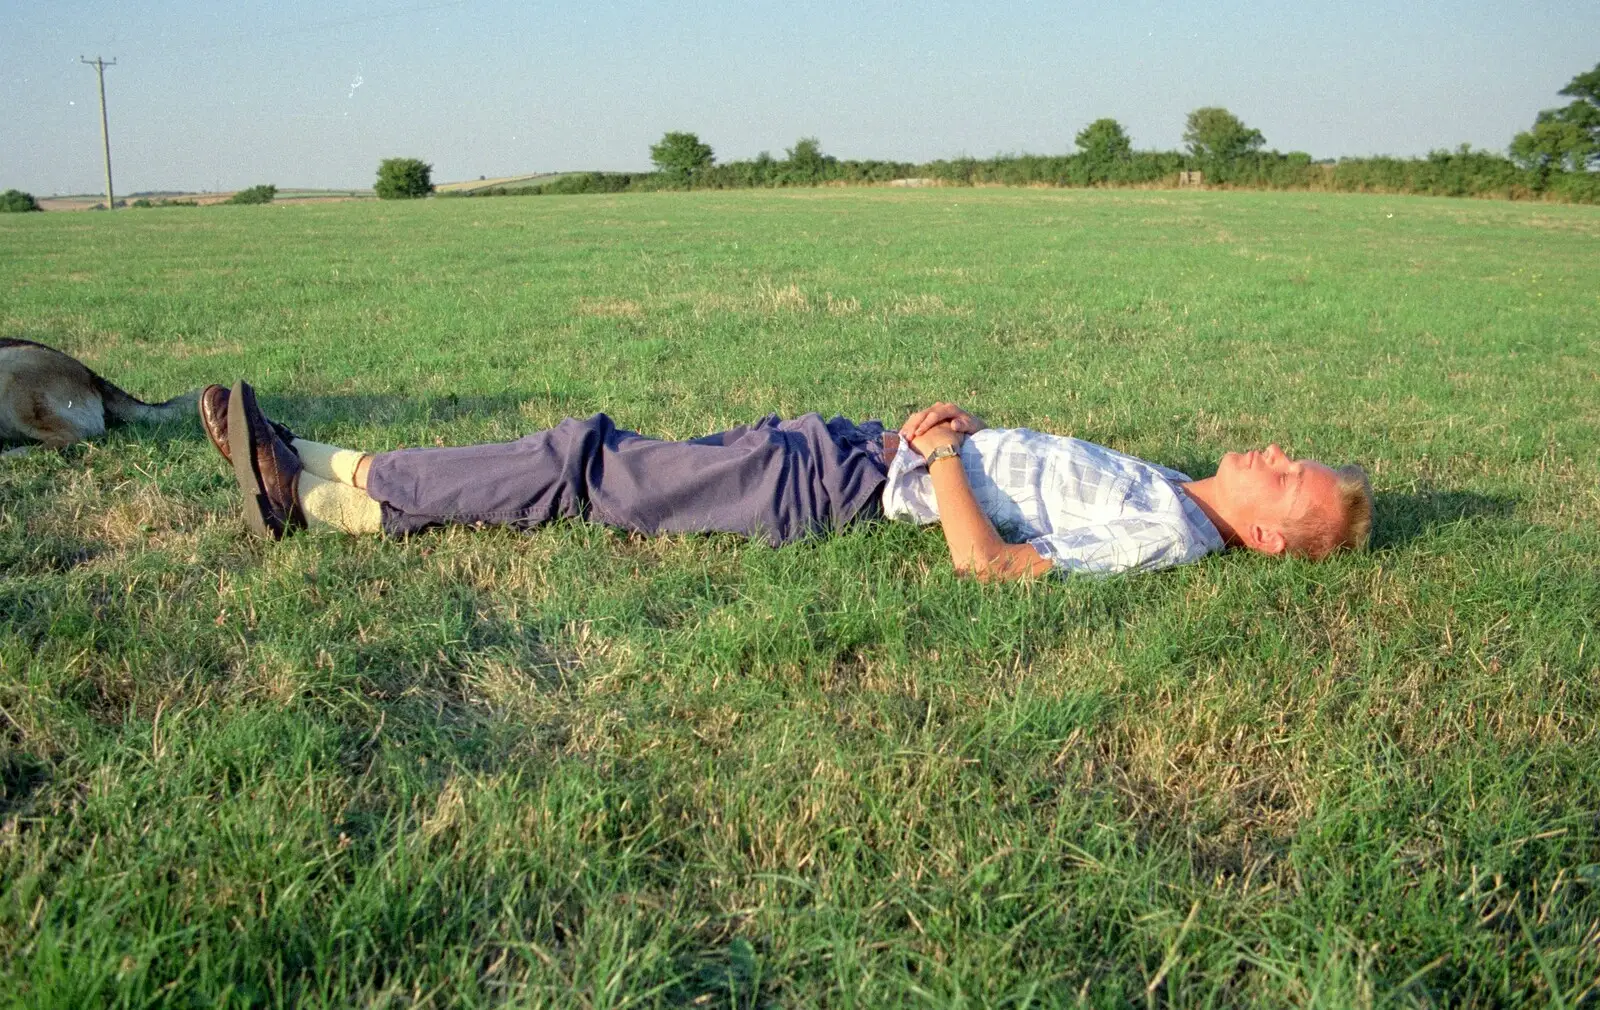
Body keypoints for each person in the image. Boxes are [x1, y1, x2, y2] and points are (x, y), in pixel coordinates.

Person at [200, 381, 1373, 580]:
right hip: (850, 451)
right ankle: (322, 485)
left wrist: (943, 453)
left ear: (1270, 537)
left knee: (589, 463)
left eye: (1290, 475)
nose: (1275, 452)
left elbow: (991, 564)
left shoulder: (1161, 531)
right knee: (603, 464)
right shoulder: (1173, 495)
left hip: (833, 487)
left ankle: (323, 476)